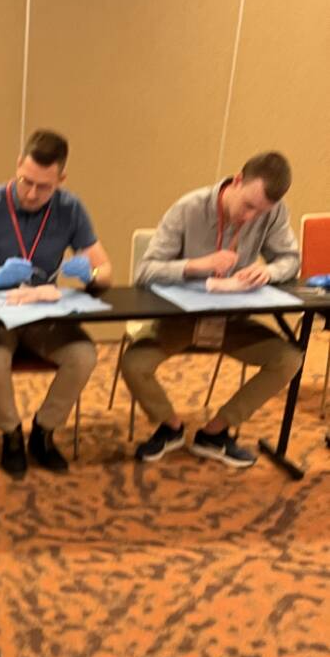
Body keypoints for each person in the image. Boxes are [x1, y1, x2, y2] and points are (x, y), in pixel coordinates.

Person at [0, 130, 112, 474]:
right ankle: (11, 436)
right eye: (26, 182)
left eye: (44, 187)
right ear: (18, 164)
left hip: (43, 315)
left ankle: (43, 432)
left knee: (83, 355)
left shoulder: (70, 209)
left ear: (61, 180)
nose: (32, 194)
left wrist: (91, 274)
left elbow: (106, 272)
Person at [124, 151, 301, 468]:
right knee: (134, 363)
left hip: (232, 321)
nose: (251, 217)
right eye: (248, 206)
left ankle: (215, 433)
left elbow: (290, 259)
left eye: (261, 212)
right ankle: (171, 426)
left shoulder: (273, 213)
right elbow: (145, 271)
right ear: (237, 181)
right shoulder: (189, 208)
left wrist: (269, 271)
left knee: (289, 359)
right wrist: (196, 266)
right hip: (182, 320)